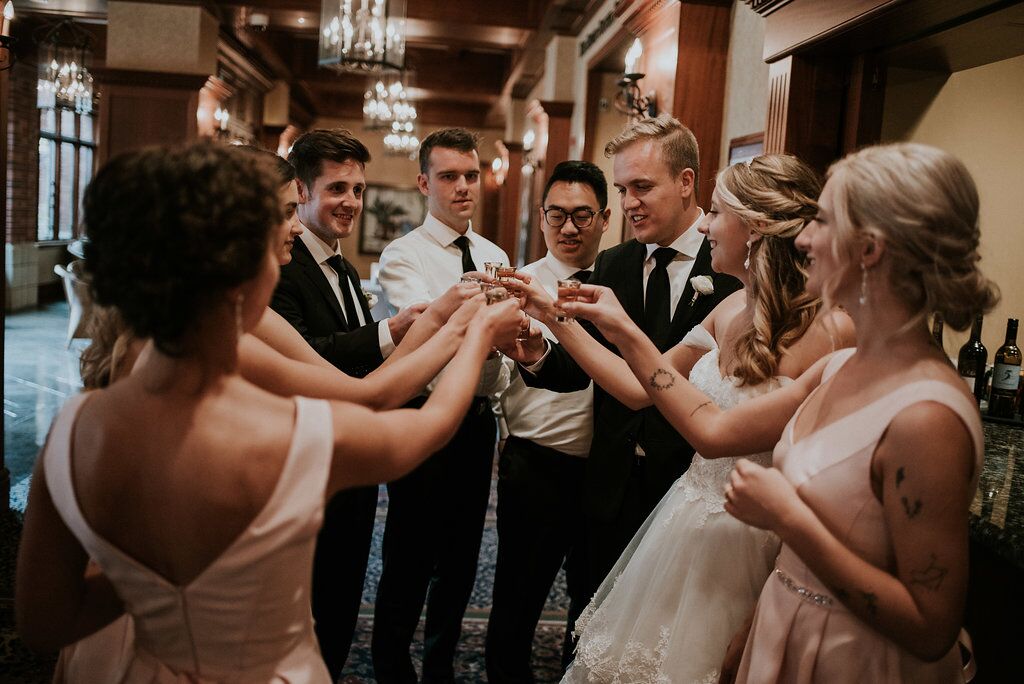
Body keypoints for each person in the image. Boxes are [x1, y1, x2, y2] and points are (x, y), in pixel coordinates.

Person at [15, 142, 524, 682]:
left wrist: (158, 586)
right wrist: (477, 336)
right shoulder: (284, 434)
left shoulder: (75, 428)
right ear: (237, 266)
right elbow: (423, 428)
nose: (294, 235)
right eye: (277, 229)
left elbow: (45, 623)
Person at [559, 143, 995, 683]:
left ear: (872, 249)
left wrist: (788, 519)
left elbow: (932, 627)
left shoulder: (926, 416)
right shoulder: (840, 368)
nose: (804, 237)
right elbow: (713, 429)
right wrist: (751, 633)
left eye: (824, 221)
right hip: (779, 628)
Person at [516, 155, 850, 683]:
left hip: (755, 544)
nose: (703, 225)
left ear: (757, 228)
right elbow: (635, 389)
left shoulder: (832, 332)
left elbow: (711, 432)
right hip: (684, 528)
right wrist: (554, 316)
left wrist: (623, 328)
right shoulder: (728, 308)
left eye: (716, 213)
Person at [511, 115, 743, 647]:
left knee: (666, 635)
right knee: (591, 623)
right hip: (609, 485)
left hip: (686, 482)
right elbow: (591, 361)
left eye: (642, 186)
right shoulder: (614, 262)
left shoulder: (733, 265)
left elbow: (653, 377)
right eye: (623, 189)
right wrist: (537, 356)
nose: (630, 202)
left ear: (686, 183)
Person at [269, 129, 427, 677]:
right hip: (304, 466)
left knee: (338, 610)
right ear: (302, 192)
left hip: (349, 472)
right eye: (337, 188)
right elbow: (313, 357)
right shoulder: (280, 269)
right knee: (306, 613)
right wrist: (398, 331)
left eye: (359, 189)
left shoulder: (339, 266)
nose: (352, 203)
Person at [373, 127, 512, 683]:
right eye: (449, 177)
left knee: (461, 561)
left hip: (478, 426)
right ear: (423, 182)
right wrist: (487, 322)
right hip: (418, 421)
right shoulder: (401, 255)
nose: (462, 188)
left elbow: (499, 351)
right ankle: (389, 667)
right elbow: (431, 334)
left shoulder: (495, 255)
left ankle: (439, 669)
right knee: (408, 555)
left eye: (471, 176)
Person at [484, 160, 610, 682]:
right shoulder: (517, 285)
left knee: (593, 603)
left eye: (583, 215)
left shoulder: (618, 283)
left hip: (605, 470)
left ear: (605, 218)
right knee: (517, 597)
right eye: (557, 214)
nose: (569, 227)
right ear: (540, 218)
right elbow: (491, 380)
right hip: (536, 464)